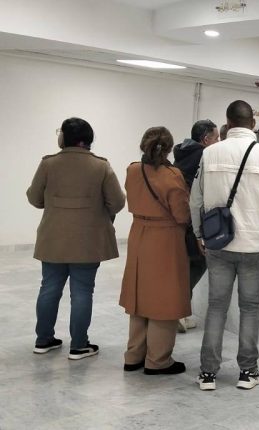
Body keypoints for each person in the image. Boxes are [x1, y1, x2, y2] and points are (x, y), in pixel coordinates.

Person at [190, 100, 259, 391]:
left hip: (218, 243)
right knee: (250, 308)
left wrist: (199, 234)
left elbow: (195, 200)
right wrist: (256, 204)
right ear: (253, 124)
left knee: (216, 307)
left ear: (228, 122)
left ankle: (208, 374)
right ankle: (248, 372)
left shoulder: (209, 153)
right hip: (254, 245)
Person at [27, 117, 125, 360]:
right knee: (82, 292)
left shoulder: (48, 164)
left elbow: (34, 198)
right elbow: (117, 202)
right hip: (88, 241)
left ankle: (43, 340)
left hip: (53, 239)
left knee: (49, 288)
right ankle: (79, 345)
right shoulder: (101, 166)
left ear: (64, 137)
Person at [119, 126, 191, 375]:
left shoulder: (133, 170)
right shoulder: (173, 175)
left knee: (138, 296)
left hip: (138, 234)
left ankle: (134, 355)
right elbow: (181, 214)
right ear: (169, 148)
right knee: (164, 298)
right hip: (166, 238)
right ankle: (158, 360)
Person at [173, 119, 219, 332]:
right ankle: (178, 311)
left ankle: (179, 312)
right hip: (195, 219)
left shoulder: (182, 153)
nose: (219, 142)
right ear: (206, 139)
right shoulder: (204, 155)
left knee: (186, 266)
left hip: (179, 219)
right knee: (198, 263)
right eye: (216, 138)